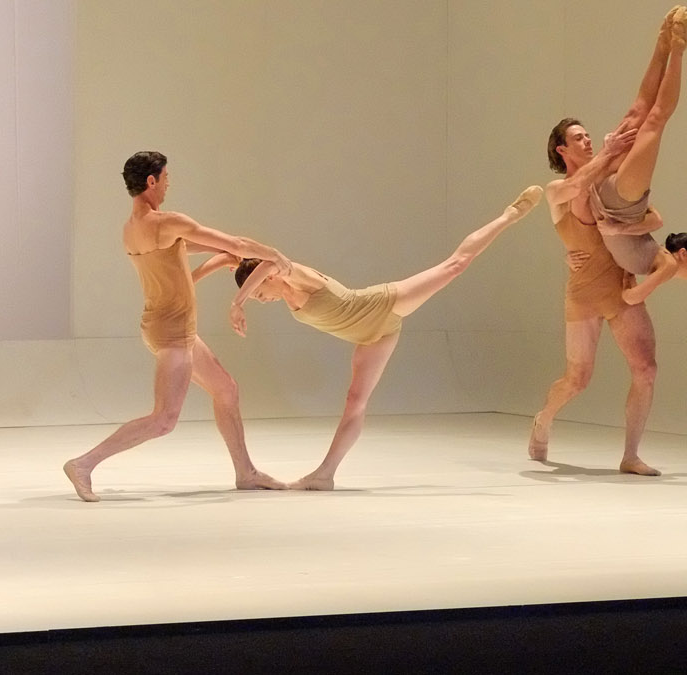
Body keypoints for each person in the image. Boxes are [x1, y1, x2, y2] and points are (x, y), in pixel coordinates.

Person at [226, 187, 543, 489]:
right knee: (355, 401)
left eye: (258, 293)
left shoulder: (293, 275)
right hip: (372, 335)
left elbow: (266, 261)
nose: (261, 299)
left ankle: (508, 216)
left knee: (454, 266)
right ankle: (325, 475)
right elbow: (233, 258)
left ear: (267, 279)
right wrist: (195, 275)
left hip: (381, 304)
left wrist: (238, 302)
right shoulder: (278, 288)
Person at [63, 151, 290, 502]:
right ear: (151, 181)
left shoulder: (132, 229)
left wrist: (225, 260)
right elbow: (237, 244)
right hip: (172, 333)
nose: (169, 183)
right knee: (164, 419)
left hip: (167, 327)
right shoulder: (168, 222)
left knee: (226, 390)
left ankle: (246, 473)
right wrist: (275, 255)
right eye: (166, 177)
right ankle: (83, 464)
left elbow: (186, 258)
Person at [528, 117, 662, 475]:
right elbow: (576, 187)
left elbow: (653, 218)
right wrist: (610, 151)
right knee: (578, 378)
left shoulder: (605, 182)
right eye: (578, 138)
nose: (587, 141)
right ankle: (544, 418)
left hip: (621, 288)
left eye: (588, 136)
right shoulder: (555, 189)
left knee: (646, 369)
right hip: (585, 293)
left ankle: (630, 455)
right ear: (562, 150)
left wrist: (625, 226)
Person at [589, 6, 687, 277]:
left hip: (613, 198)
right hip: (616, 200)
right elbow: (656, 219)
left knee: (645, 114)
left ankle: (669, 47)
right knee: (648, 116)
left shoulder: (655, 265)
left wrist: (617, 230)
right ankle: (670, 47)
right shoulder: (661, 263)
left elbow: (630, 297)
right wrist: (620, 228)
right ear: (682, 255)